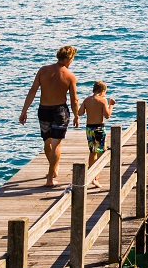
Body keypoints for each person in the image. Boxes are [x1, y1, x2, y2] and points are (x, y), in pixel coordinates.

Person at [19, 45, 80, 186]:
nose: (72, 62)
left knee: (47, 142)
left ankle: (53, 168)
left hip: (44, 110)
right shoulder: (70, 76)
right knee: (56, 144)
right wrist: (77, 115)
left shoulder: (43, 70)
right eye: (72, 59)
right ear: (67, 58)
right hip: (60, 111)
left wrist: (24, 111)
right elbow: (74, 99)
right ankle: (50, 179)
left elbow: (32, 91)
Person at [78, 80, 116, 188]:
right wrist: (111, 105)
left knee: (92, 152)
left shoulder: (87, 100)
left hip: (89, 128)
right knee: (101, 153)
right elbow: (107, 115)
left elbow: (80, 113)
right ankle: (95, 177)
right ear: (102, 91)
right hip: (99, 128)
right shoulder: (102, 100)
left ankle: (92, 176)